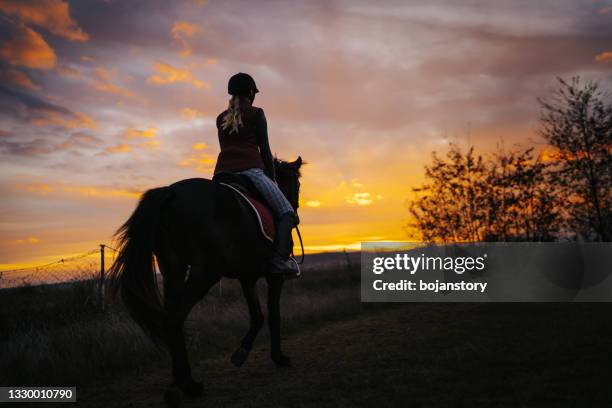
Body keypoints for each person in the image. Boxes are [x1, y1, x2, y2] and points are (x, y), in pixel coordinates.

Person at [213, 72, 298, 276]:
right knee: (288, 213)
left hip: (221, 175)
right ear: (251, 93)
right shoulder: (257, 113)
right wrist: (273, 178)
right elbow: (265, 151)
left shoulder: (220, 119)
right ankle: (278, 262)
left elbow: (226, 148)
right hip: (252, 172)